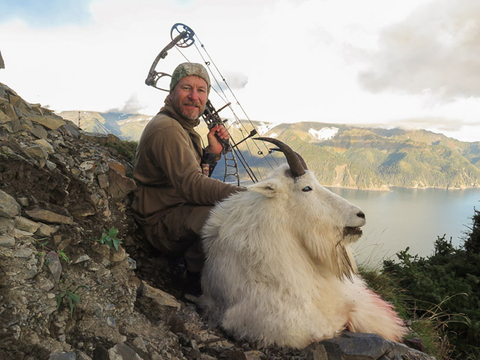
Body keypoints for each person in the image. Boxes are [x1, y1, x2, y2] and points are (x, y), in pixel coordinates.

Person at [132, 62, 245, 279]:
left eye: (201, 90)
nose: (194, 96)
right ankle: (193, 281)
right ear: (172, 91)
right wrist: (247, 196)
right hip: (160, 224)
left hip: (175, 211)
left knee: (226, 209)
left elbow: (191, 178)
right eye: (186, 88)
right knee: (227, 218)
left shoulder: (180, 127)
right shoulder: (168, 129)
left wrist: (212, 152)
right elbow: (192, 186)